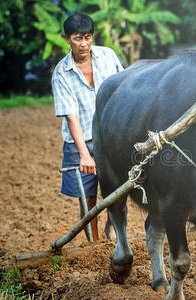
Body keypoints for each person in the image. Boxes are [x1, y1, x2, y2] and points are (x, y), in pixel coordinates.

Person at [52, 13, 123, 241]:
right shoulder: (61, 73)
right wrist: (85, 155)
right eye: (77, 38)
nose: (83, 44)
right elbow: (71, 117)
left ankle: (113, 230)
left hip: (111, 135)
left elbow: (124, 90)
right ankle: (94, 244)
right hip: (81, 140)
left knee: (118, 191)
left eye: (87, 37)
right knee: (89, 198)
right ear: (67, 39)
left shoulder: (108, 56)